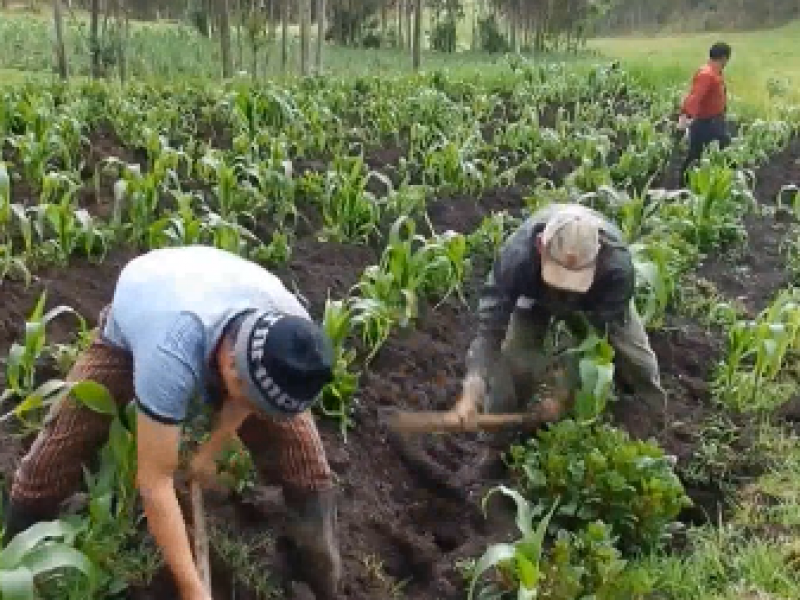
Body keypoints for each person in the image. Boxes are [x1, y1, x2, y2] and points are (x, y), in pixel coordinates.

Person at [2, 246, 341, 600]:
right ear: (229, 361)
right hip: (148, 309)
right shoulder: (169, 351)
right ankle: (19, 543)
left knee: (308, 466)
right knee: (62, 441)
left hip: (218, 294)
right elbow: (154, 482)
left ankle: (320, 580)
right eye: (247, 394)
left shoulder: (293, 339)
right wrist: (194, 589)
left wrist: (214, 446)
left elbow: (247, 397)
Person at [453, 203, 666, 424]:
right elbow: (490, 330)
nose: (565, 288)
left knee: (638, 363)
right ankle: (498, 440)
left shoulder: (617, 269)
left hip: (595, 297)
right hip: (535, 293)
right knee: (516, 362)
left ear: (599, 254)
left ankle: (650, 422)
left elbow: (595, 339)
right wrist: (472, 390)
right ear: (539, 246)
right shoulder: (518, 258)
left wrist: (563, 391)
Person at [678, 41, 733, 182]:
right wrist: (684, 117)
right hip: (707, 123)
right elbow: (695, 96)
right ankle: (685, 183)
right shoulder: (707, 74)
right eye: (727, 59)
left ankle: (688, 181)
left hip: (713, 120)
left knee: (698, 153)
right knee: (720, 151)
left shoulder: (713, 72)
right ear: (723, 58)